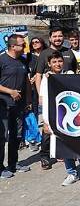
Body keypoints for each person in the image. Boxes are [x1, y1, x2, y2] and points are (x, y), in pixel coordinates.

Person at [39, 51, 80, 185]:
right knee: (64, 145)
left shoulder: (70, 75)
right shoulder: (46, 78)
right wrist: (46, 122)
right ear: (49, 64)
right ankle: (71, 173)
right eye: (54, 62)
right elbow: (43, 101)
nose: (57, 64)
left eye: (59, 61)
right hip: (57, 117)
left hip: (75, 114)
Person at [0, 34, 31, 178]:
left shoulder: (23, 61)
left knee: (16, 135)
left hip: (18, 106)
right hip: (3, 105)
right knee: (2, 136)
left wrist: (27, 102)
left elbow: (26, 83)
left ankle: (13, 164)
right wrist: (10, 91)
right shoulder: (1, 60)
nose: (25, 47)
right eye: (22, 45)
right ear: (13, 46)